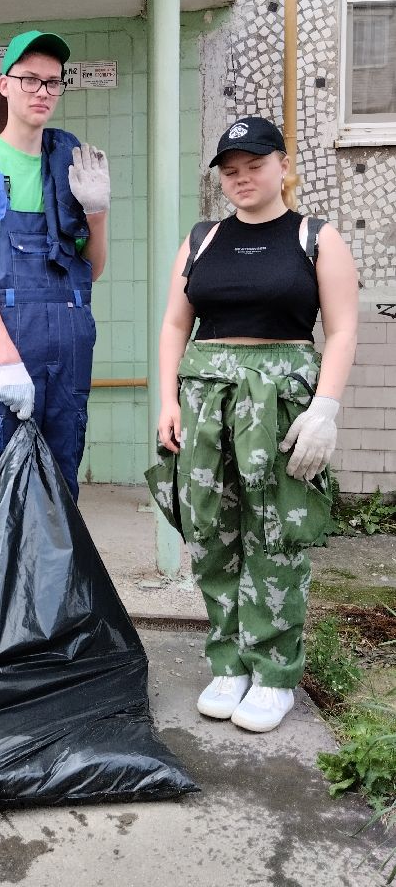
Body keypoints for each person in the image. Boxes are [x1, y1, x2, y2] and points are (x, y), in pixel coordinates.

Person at [146, 116, 358, 733]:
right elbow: (172, 326)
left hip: (281, 401)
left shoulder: (315, 238)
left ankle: (273, 674)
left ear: (282, 166)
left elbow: (342, 328)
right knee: (211, 531)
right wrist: (168, 401)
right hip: (207, 400)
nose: (242, 179)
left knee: (274, 531)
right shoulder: (204, 239)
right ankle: (229, 662)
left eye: (255, 166)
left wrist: (326, 407)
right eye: (231, 171)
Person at [0, 29, 110, 500]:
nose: (43, 93)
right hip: (13, 350)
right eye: (30, 80)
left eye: (54, 83)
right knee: (4, 494)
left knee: (61, 490)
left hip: (70, 353)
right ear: (5, 84)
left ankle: (56, 578)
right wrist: (9, 362)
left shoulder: (68, 165)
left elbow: (88, 273)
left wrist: (98, 215)